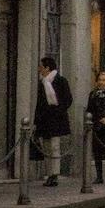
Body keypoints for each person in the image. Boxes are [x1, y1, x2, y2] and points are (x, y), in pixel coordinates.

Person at [33, 55, 73, 187]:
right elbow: (39, 104)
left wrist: (58, 110)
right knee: (46, 148)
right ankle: (49, 173)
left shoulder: (61, 81)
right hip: (44, 120)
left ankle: (54, 174)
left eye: (41, 67)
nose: (39, 69)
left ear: (47, 68)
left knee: (54, 147)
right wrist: (36, 121)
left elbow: (68, 99)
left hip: (56, 119)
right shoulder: (42, 83)